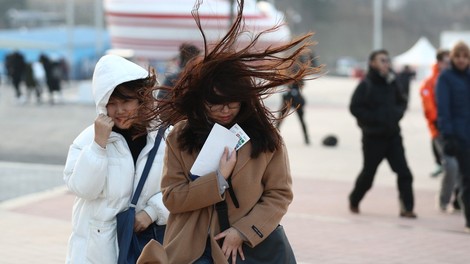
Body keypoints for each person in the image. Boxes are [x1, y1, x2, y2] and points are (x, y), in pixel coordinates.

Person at [145, 0, 316, 263]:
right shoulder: (180, 137)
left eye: (232, 101)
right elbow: (172, 198)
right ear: (202, 101)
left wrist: (243, 231)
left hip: (248, 247)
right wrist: (217, 180)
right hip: (194, 249)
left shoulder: (265, 137)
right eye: (215, 103)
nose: (225, 110)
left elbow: (279, 193)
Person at [63, 54, 169, 263]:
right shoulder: (88, 139)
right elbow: (83, 189)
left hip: (146, 244)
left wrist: (153, 211)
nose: (119, 110)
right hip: (96, 250)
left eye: (126, 101)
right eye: (111, 103)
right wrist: (98, 146)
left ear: (141, 99)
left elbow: (182, 187)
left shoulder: (165, 138)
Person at [349, 49, 417, 218]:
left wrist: (396, 115)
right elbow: (354, 107)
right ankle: (354, 200)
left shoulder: (392, 81)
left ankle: (407, 208)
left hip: (393, 136)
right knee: (368, 175)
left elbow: (402, 101)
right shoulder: (366, 84)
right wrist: (374, 120)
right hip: (373, 138)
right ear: (373, 63)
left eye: (387, 60)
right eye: (382, 60)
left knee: (404, 173)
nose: (386, 63)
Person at [419, 49, 461, 212]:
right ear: (439, 62)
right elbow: (430, 110)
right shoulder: (430, 83)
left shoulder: (459, 79)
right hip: (440, 132)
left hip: (459, 130)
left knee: (462, 165)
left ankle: (459, 199)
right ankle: (444, 200)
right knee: (451, 166)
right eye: (446, 61)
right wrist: (441, 124)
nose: (449, 64)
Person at [436, 41, 470, 231]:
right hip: (458, 135)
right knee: (467, 178)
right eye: (458, 56)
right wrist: (448, 135)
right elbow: (444, 109)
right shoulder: (446, 78)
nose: (461, 60)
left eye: (465, 56)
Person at [276, 55, 313, 145]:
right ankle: (306, 138)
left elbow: (284, 82)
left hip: (289, 97)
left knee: (280, 119)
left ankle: (274, 136)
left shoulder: (289, 69)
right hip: (295, 98)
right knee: (301, 119)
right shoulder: (299, 70)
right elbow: (302, 85)